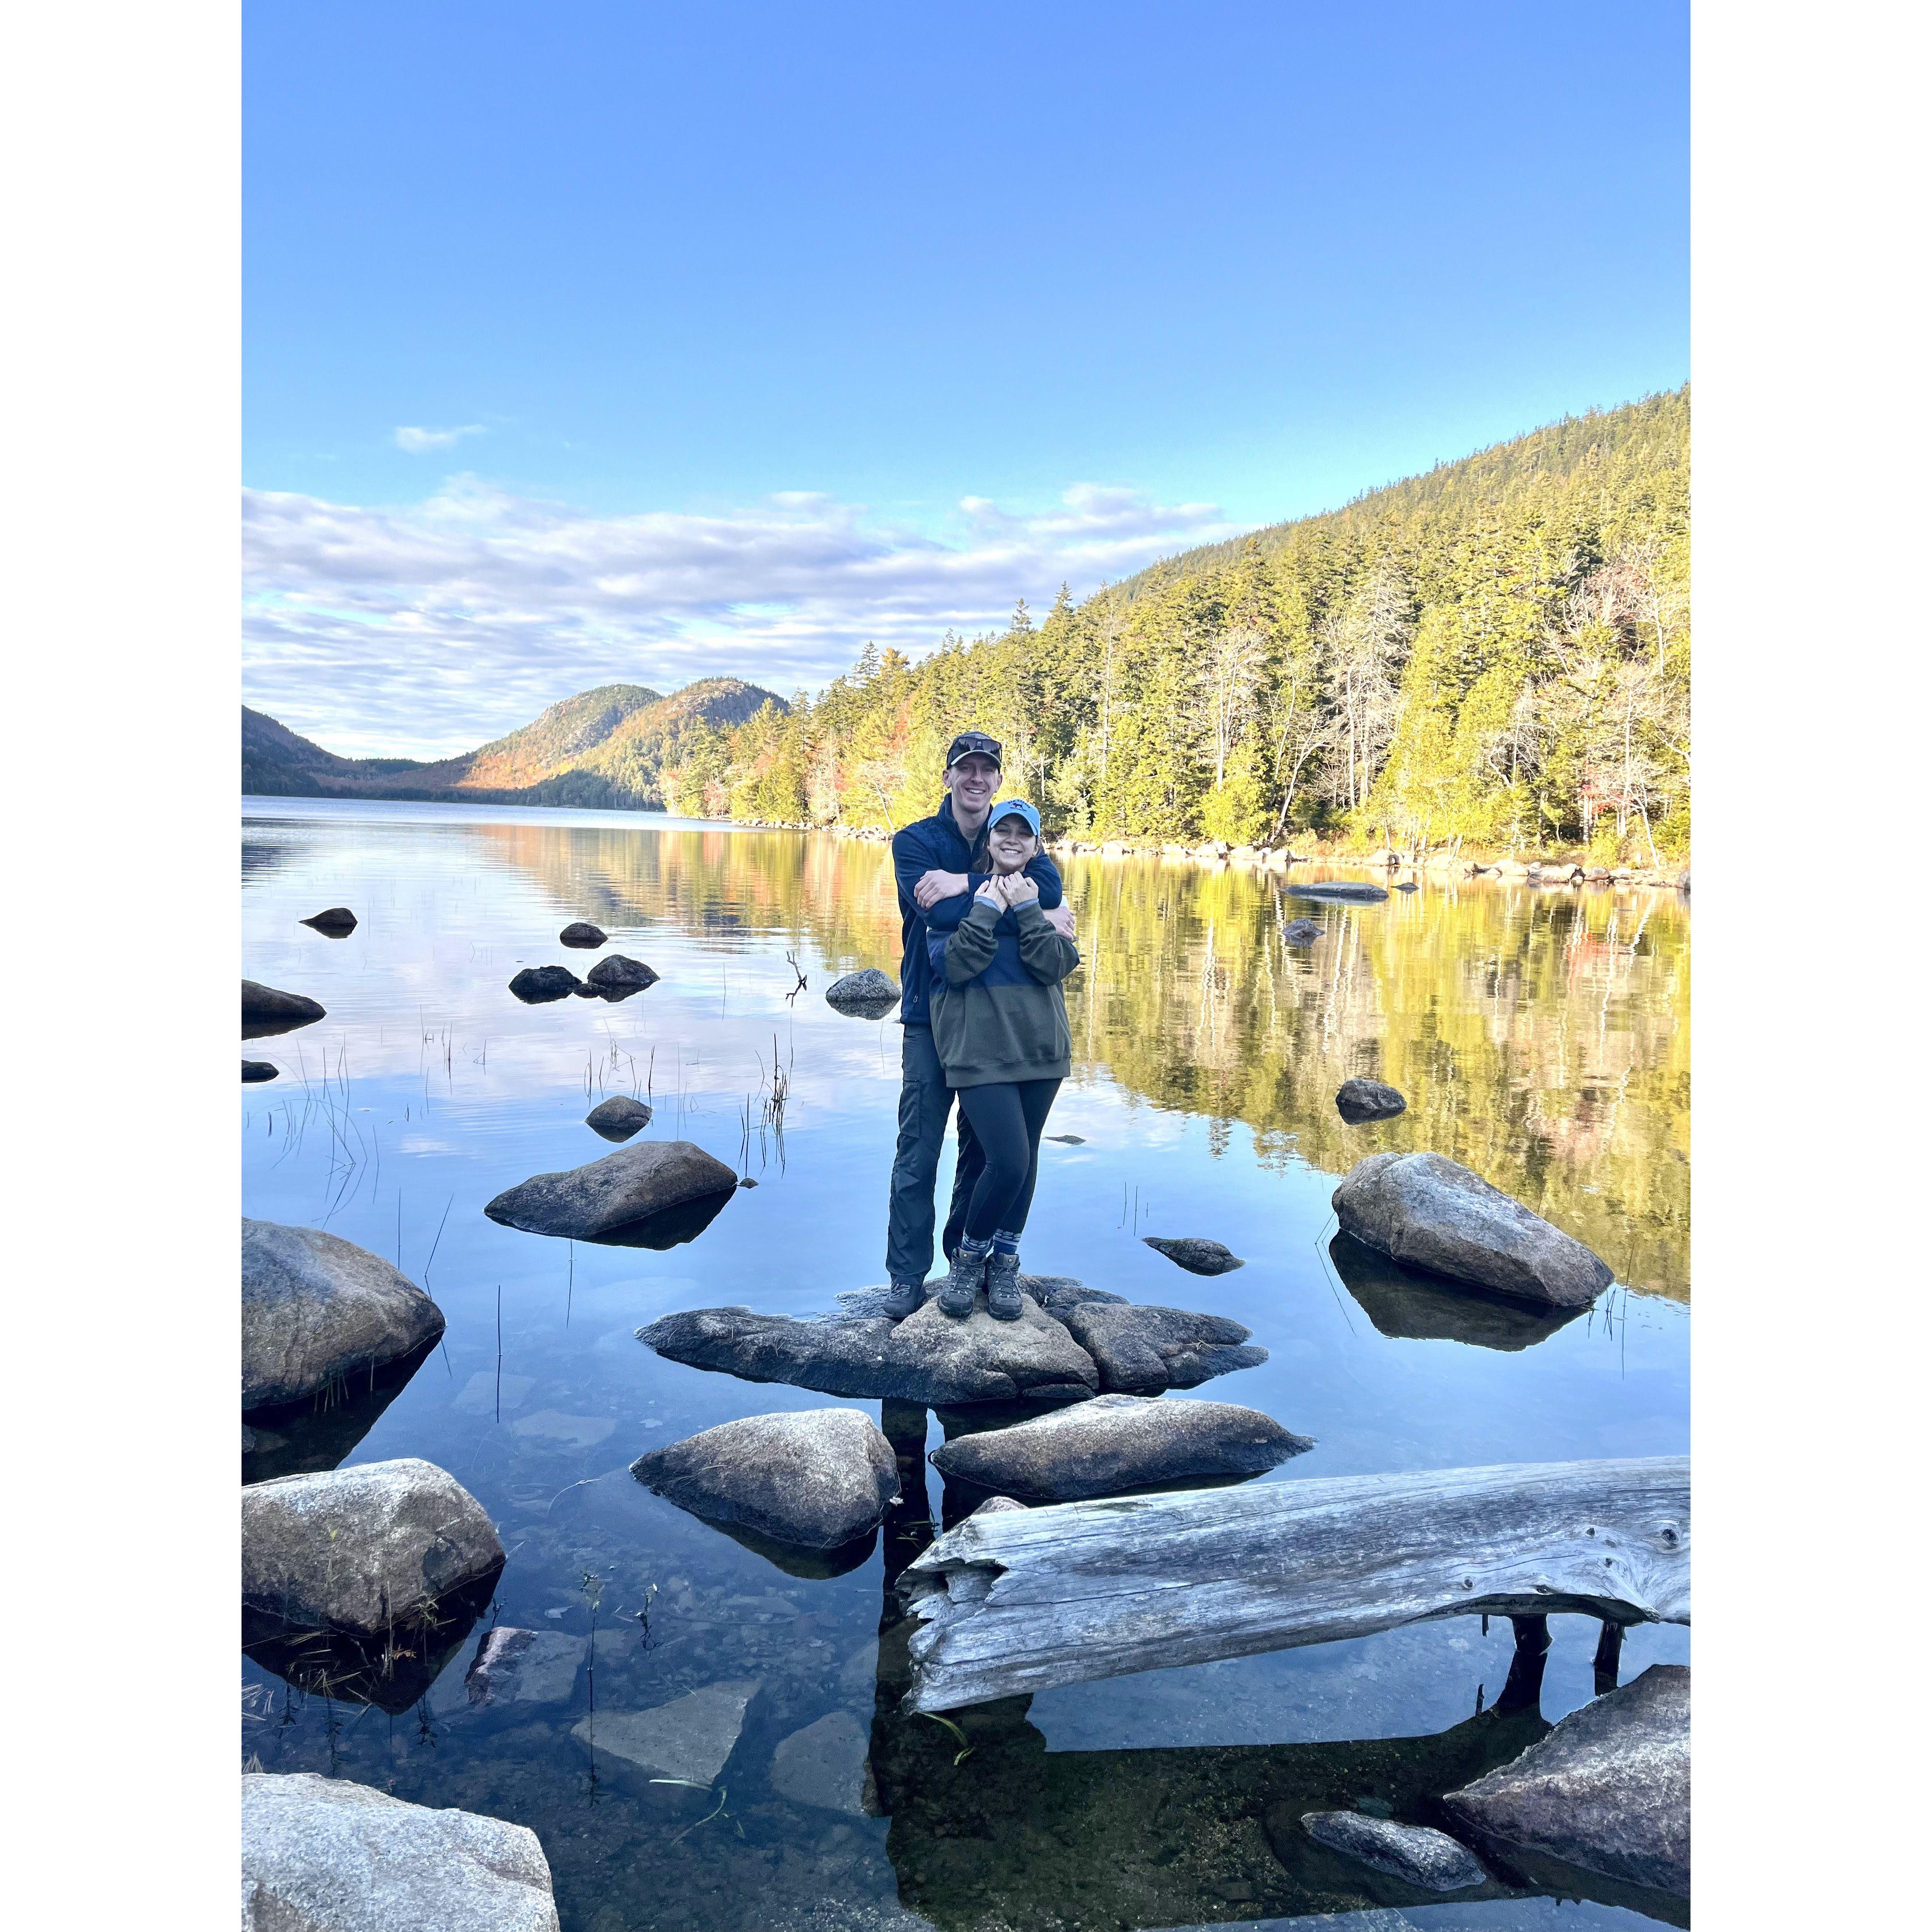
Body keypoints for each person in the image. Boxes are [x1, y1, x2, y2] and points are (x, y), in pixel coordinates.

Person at [882, 732, 1071, 1321]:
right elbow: (936, 912)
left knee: (986, 1153)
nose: (976, 778)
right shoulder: (917, 841)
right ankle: (907, 1278)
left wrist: (970, 883)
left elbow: (1053, 888)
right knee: (918, 1149)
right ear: (949, 777)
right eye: (966, 768)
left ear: (996, 780)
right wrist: (1028, 905)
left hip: (988, 1024)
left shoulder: (1009, 835)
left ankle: (969, 1262)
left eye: (987, 770)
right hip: (926, 1012)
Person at [922, 798, 1081, 1320]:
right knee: (1007, 1162)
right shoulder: (952, 902)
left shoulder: (1045, 900)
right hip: (979, 1053)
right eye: (1002, 831)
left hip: (1040, 1049)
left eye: (1024, 833)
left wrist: (1033, 912)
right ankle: (969, 1259)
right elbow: (957, 967)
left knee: (1026, 1158)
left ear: (1037, 845)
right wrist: (989, 908)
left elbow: (1054, 965)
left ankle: (1006, 1260)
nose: (1012, 839)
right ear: (988, 840)